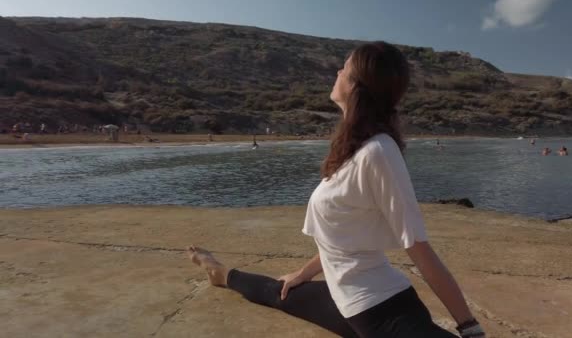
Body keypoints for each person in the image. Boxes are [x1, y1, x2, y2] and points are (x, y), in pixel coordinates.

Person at [187, 42, 484, 338]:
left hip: (383, 310)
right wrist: (304, 274)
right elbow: (341, 239)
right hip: (349, 303)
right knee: (278, 291)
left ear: (357, 87)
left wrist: (470, 328)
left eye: (345, 68)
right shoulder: (352, 151)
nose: (338, 71)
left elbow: (419, 249)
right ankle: (220, 273)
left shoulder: (379, 152)